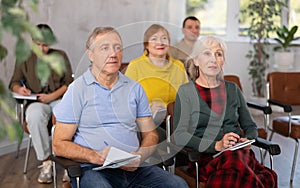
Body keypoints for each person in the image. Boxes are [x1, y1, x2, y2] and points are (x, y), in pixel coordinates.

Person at [52, 26, 188, 188]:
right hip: (93, 169)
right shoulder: (77, 90)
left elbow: (150, 134)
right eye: (105, 48)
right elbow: (59, 144)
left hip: (135, 169)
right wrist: (94, 156)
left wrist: (140, 155)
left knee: (179, 185)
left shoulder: (134, 88)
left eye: (117, 48)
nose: (113, 53)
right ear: (91, 55)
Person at [173, 36, 277, 187]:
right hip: (205, 158)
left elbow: (250, 126)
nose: (213, 59)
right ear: (196, 60)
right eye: (207, 53)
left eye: (219, 54)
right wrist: (216, 145)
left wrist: (247, 139)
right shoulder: (186, 92)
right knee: (258, 175)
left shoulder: (233, 89)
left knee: (234, 161)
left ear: (223, 61)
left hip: (239, 155)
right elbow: (180, 135)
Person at [9, 24, 73, 183]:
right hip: (37, 101)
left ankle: (67, 161)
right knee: (34, 115)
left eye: (45, 45)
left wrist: (51, 96)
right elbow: (14, 82)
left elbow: (69, 83)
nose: (42, 49)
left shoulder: (60, 55)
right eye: (38, 45)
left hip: (58, 98)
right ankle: (46, 162)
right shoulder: (24, 58)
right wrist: (20, 89)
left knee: (64, 115)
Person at [125, 24, 188, 117]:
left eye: (164, 38)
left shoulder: (178, 66)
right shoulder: (135, 66)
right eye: (154, 39)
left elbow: (187, 99)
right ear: (146, 45)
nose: (160, 42)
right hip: (145, 120)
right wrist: (148, 108)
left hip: (175, 119)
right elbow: (126, 100)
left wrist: (167, 109)